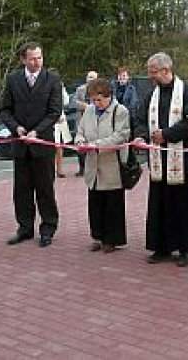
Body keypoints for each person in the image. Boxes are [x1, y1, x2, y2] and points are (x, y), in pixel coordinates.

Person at [133, 52, 188, 267]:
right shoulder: (151, 95)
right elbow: (140, 119)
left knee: (183, 205)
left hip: (182, 161)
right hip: (159, 160)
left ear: (166, 70)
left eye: (153, 72)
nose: (150, 77)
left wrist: (167, 135)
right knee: (160, 205)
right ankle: (162, 247)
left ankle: (185, 248)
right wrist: (141, 136)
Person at [0, 41, 62, 248]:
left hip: (42, 144)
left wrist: (37, 131)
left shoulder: (52, 79)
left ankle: (48, 228)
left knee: (45, 189)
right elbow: (5, 110)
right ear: (23, 59)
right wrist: (16, 127)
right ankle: (24, 228)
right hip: (21, 146)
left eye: (40, 57)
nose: (37, 62)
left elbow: (54, 111)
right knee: (22, 191)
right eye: (32, 58)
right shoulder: (13, 79)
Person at [75, 78, 130, 253]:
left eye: (99, 100)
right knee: (95, 204)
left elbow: (120, 136)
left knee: (112, 204)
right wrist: (80, 141)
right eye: (93, 100)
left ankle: (112, 239)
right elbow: (80, 131)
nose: (96, 103)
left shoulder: (120, 111)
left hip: (112, 165)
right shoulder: (89, 110)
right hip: (93, 166)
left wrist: (96, 145)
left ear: (108, 96)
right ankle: (97, 236)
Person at [74, 70, 98, 176]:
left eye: (93, 77)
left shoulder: (100, 90)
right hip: (81, 119)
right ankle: (82, 168)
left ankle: (94, 167)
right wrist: (84, 106)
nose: (91, 79)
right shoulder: (80, 89)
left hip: (94, 120)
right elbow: (74, 102)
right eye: (89, 77)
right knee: (80, 143)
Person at [54, 77, 72, 178]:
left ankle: (59, 169)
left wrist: (62, 88)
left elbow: (66, 101)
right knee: (49, 146)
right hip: (48, 121)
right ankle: (50, 169)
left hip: (60, 119)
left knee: (59, 145)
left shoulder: (60, 88)